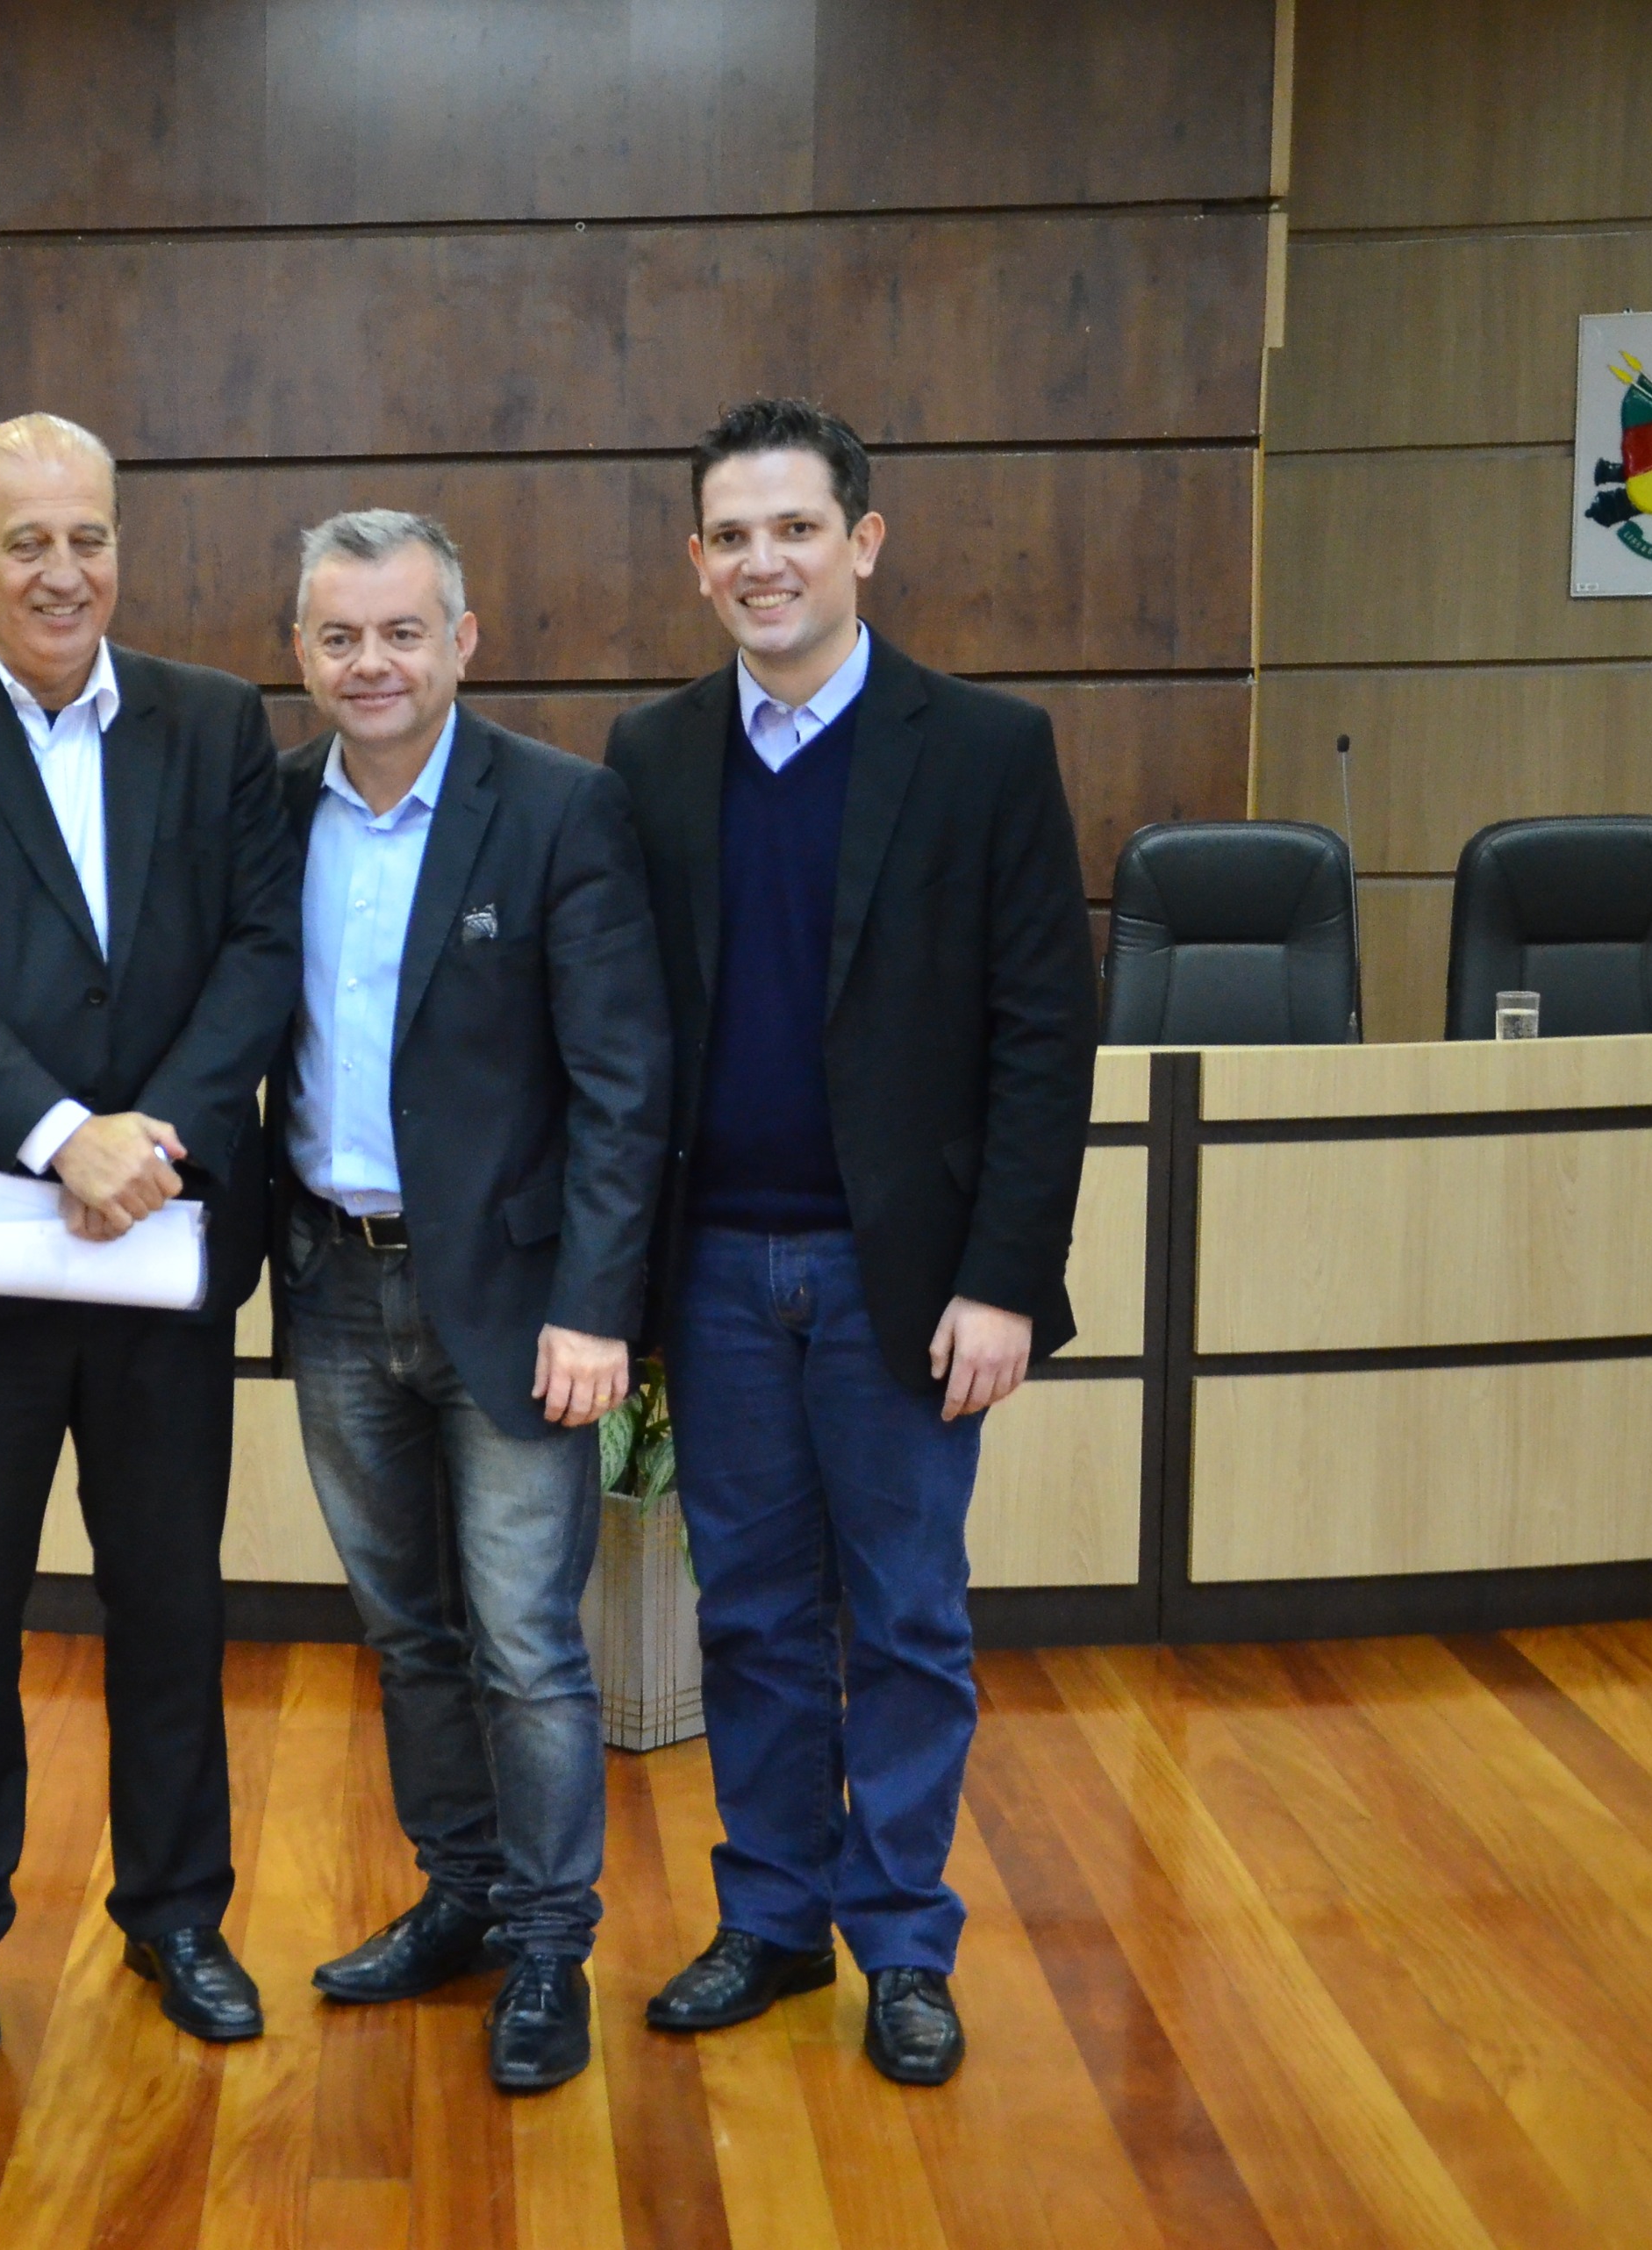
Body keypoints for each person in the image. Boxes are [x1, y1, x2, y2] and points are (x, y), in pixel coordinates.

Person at [605, 398, 1096, 2088]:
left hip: (910, 1283)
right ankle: (770, 1921)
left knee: (904, 1622)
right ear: (698, 562)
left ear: (863, 543)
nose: (766, 563)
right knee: (748, 1616)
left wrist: (1005, 1277)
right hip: (718, 1276)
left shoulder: (986, 749)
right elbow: (629, 1034)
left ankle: (901, 1942)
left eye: (796, 529)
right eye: (733, 537)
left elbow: (1045, 1037)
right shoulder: (653, 756)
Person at [0, 412, 298, 2067]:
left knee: (173, 1606)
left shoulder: (214, 721)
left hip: (159, 1251)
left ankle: (179, 1916)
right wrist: (57, 1134)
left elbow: (260, 949)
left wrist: (147, 1140)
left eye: (87, 537)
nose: (63, 571)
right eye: (27, 542)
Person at [269, 511, 669, 2093]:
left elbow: (623, 1085)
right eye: (339, 637)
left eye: (401, 631)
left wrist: (598, 1306)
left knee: (524, 1643)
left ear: (463, 640)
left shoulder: (561, 810)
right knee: (407, 1630)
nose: (371, 663)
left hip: (512, 1303)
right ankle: (465, 1895)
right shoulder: (271, 810)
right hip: (330, 1283)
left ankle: (553, 1943)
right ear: (301, 653)